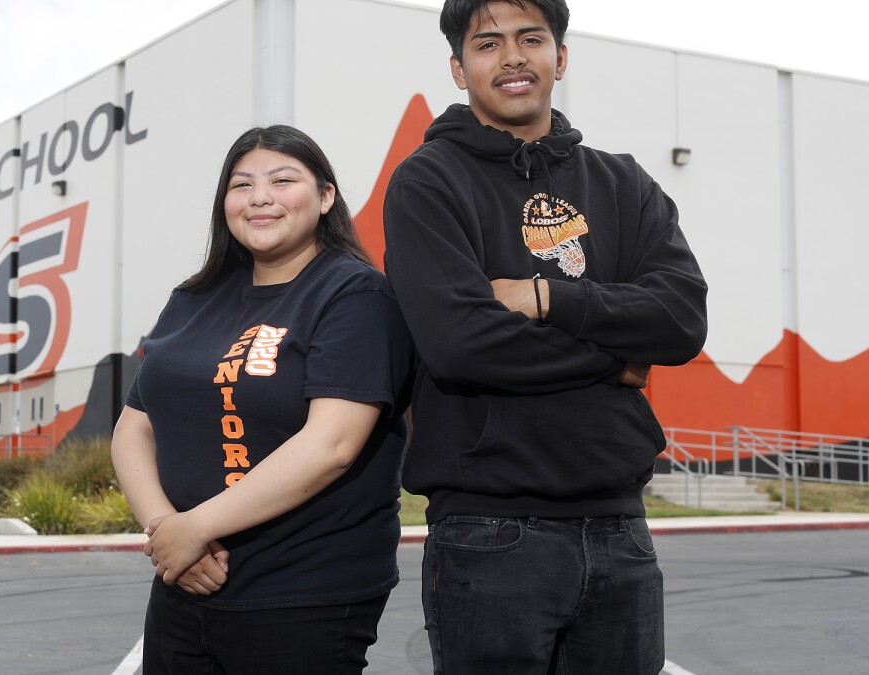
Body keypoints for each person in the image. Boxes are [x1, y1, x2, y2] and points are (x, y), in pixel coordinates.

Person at [382, 1, 708, 673]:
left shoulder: (625, 183)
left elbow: (681, 318)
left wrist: (544, 297)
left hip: (621, 528)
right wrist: (619, 357)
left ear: (560, 57)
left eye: (531, 39)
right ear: (458, 68)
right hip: (489, 532)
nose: (512, 57)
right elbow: (461, 343)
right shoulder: (428, 181)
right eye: (487, 43)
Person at [111, 124, 414, 674]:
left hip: (302, 593)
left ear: (326, 196)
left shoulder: (356, 295)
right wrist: (167, 530)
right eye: (241, 184)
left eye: (282, 180)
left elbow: (331, 446)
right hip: (186, 581)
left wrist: (195, 529)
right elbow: (134, 425)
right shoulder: (193, 299)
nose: (260, 198)